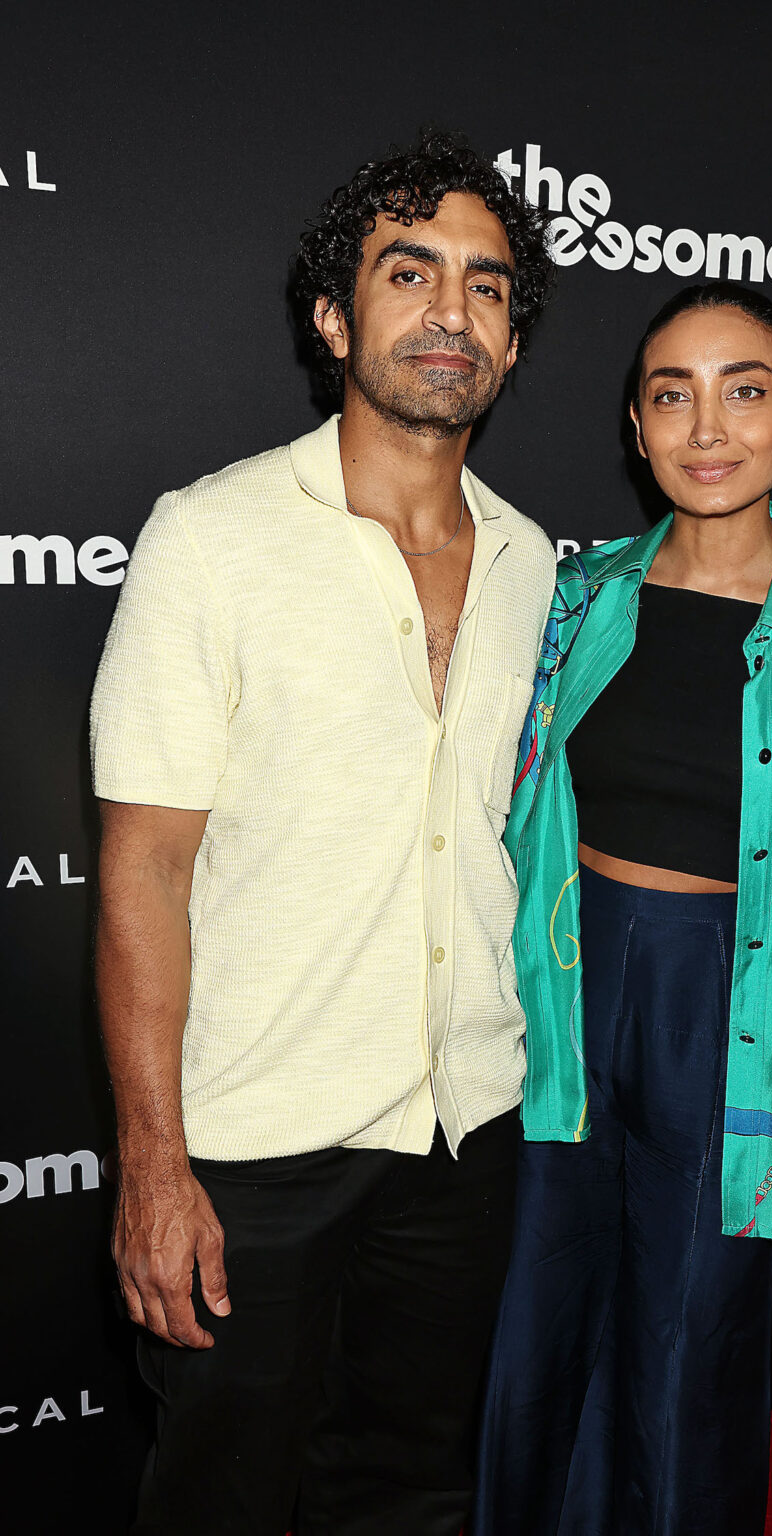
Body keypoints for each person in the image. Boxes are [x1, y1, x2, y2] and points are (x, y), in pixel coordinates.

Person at [90, 129, 555, 1536]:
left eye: (486, 287)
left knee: (413, 1494)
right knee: (221, 1495)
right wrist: (155, 1161)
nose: (449, 312)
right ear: (336, 316)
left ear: (513, 344)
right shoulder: (213, 536)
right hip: (253, 1137)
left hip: (464, 1124)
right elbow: (143, 873)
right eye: (409, 274)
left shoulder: (538, 562)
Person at [473, 281, 772, 1536]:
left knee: (691, 1341)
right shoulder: (577, 599)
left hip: (735, 1016)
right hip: (561, 999)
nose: (707, 425)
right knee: (540, 1322)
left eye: (745, 390)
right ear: (634, 425)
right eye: (672, 394)